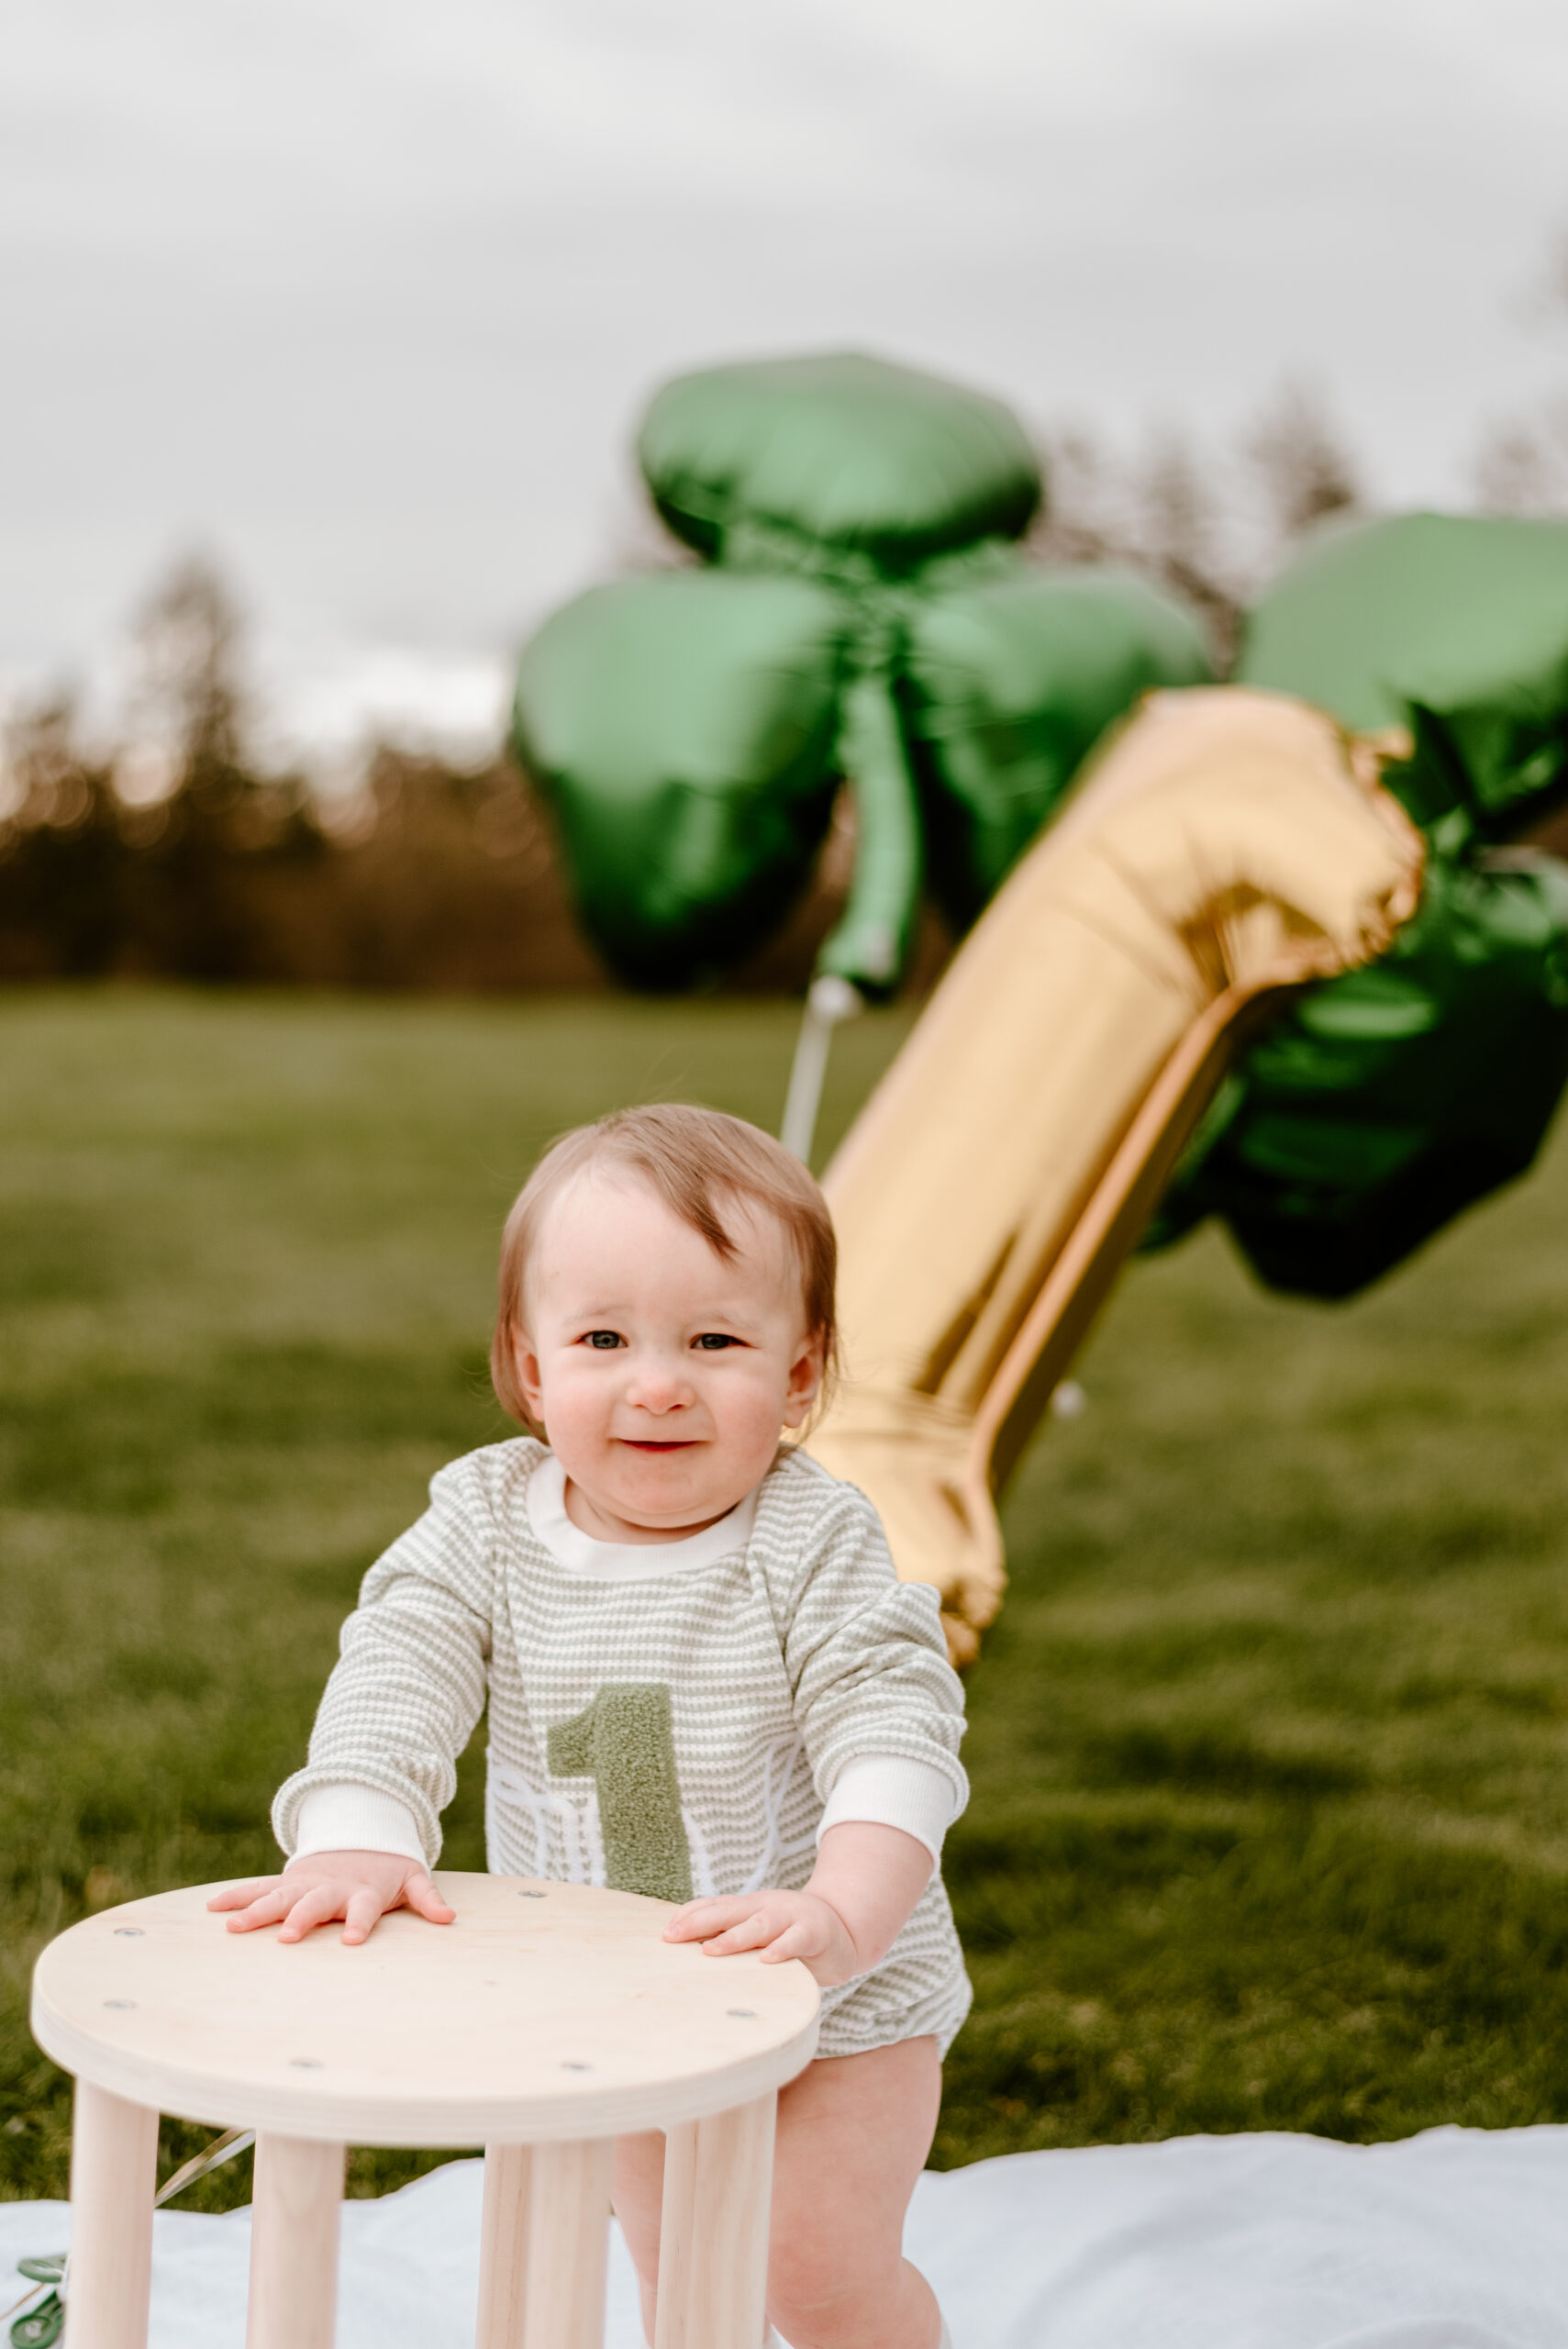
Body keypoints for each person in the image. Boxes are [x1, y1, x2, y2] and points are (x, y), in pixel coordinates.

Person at [213, 1104, 969, 2349]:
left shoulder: (808, 1538)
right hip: (616, 2002)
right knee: (682, 2276)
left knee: (814, 2277)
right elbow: (396, 1668)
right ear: (529, 1367)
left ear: (797, 1373)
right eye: (604, 1338)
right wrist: (358, 1833)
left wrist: (844, 1911)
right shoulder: (484, 1524)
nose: (657, 1383)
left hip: (835, 2002)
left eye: (715, 1339)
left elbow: (890, 1721)